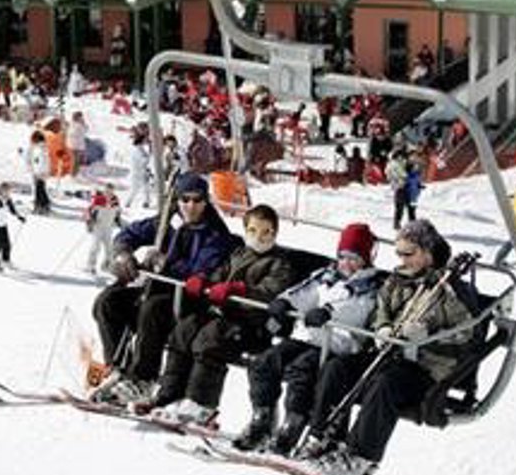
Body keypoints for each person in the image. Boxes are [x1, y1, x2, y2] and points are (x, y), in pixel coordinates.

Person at [304, 220, 473, 475]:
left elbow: (466, 331)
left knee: (385, 384)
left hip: (425, 368)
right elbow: (380, 309)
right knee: (338, 368)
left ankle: (360, 457)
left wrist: (427, 336)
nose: (403, 259)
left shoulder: (450, 289)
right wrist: (382, 328)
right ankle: (321, 437)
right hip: (389, 355)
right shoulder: (397, 279)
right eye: (399, 253)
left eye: (409, 253)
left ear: (428, 252)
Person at [141, 204, 297, 424]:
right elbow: (219, 274)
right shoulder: (239, 253)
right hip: (224, 316)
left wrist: (240, 290)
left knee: (211, 338)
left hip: (252, 325)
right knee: (185, 329)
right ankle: (170, 392)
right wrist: (204, 279)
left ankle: (201, 403)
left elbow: (271, 291)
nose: (259, 237)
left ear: (275, 232)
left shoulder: (279, 263)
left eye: (266, 232)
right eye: (253, 230)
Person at [234, 223, 381, 454]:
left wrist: (328, 312)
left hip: (335, 344)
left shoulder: (369, 286)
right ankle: (262, 418)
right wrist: (285, 302)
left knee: (302, 371)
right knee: (264, 362)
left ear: (366, 260)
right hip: (306, 336)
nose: (347, 264)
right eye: (343, 257)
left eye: (354, 259)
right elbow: (304, 292)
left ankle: (293, 423)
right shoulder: (326, 275)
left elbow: (358, 310)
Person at [90, 172, 236, 405]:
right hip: (156, 289)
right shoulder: (169, 221)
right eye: (185, 199)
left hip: (187, 300)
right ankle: (117, 368)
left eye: (197, 200)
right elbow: (131, 233)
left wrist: (165, 264)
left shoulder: (215, 234)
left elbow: (202, 268)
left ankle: (142, 379)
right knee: (108, 301)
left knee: (152, 309)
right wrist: (123, 252)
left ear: (206, 201)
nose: (191, 206)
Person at [84, 184, 122, 275]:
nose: (109, 194)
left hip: (108, 227)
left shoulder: (115, 201)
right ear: (104, 191)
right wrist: (89, 221)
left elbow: (117, 212)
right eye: (107, 191)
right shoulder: (98, 199)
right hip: (98, 226)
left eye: (111, 192)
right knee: (96, 247)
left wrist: (118, 220)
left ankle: (106, 265)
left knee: (109, 248)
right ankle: (91, 265)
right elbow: (89, 211)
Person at [125, 127, 152, 209]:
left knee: (145, 187)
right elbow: (143, 160)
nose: (146, 141)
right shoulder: (137, 150)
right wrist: (149, 156)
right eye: (144, 140)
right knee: (135, 189)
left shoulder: (140, 149)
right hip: (138, 172)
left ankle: (146, 202)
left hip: (141, 172)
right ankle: (128, 202)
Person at [27, 130, 51, 214]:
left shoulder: (41, 149)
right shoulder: (40, 147)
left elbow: (41, 162)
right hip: (41, 172)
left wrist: (38, 173)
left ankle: (39, 206)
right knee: (41, 189)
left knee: (39, 190)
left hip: (40, 173)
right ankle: (45, 204)